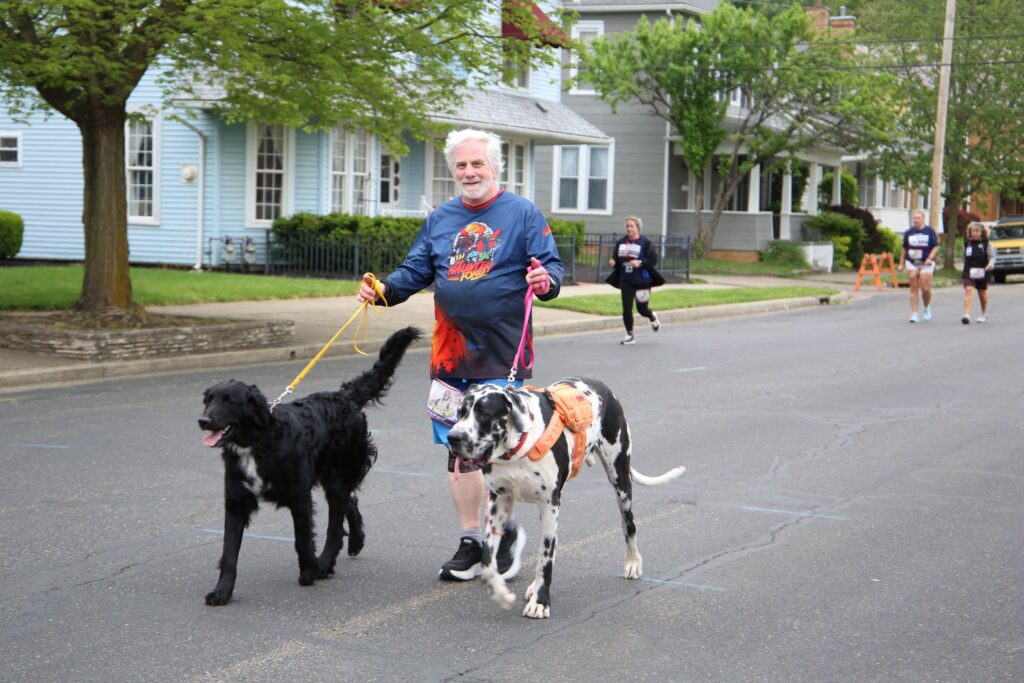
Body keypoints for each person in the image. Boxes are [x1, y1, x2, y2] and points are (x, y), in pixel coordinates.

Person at [356, 128, 563, 582]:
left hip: (503, 358)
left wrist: (545, 281)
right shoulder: (441, 219)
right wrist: (382, 290)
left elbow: (551, 268)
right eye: (461, 165)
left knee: (498, 453)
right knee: (459, 454)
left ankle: (502, 534)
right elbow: (414, 271)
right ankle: (472, 540)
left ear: (495, 168)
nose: (469, 172)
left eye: (477, 164)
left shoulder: (522, 214)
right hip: (450, 360)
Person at [606, 215, 664, 345]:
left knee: (642, 309)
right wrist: (613, 262)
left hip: (643, 281)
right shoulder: (621, 242)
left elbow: (653, 260)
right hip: (626, 280)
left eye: (631, 226)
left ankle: (652, 317)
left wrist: (640, 263)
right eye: (627, 226)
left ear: (637, 227)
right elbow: (616, 259)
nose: (629, 229)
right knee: (626, 308)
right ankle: (630, 335)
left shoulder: (646, 243)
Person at [898, 208, 940, 323]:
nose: (916, 220)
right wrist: (901, 264)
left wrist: (930, 258)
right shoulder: (909, 232)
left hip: (926, 262)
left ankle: (926, 307)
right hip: (912, 261)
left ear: (923, 219)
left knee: (925, 288)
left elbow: (936, 246)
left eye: (918, 218)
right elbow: (904, 249)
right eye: (914, 218)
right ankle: (915, 313)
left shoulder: (929, 231)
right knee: (913, 284)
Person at [960, 221, 994, 324]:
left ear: (981, 232)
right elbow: (964, 256)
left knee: (981, 293)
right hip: (969, 271)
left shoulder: (986, 243)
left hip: (982, 271)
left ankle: (984, 313)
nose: (975, 233)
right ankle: (966, 315)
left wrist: (990, 264)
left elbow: (992, 257)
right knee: (969, 290)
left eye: (977, 231)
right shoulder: (966, 243)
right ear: (970, 232)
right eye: (973, 231)